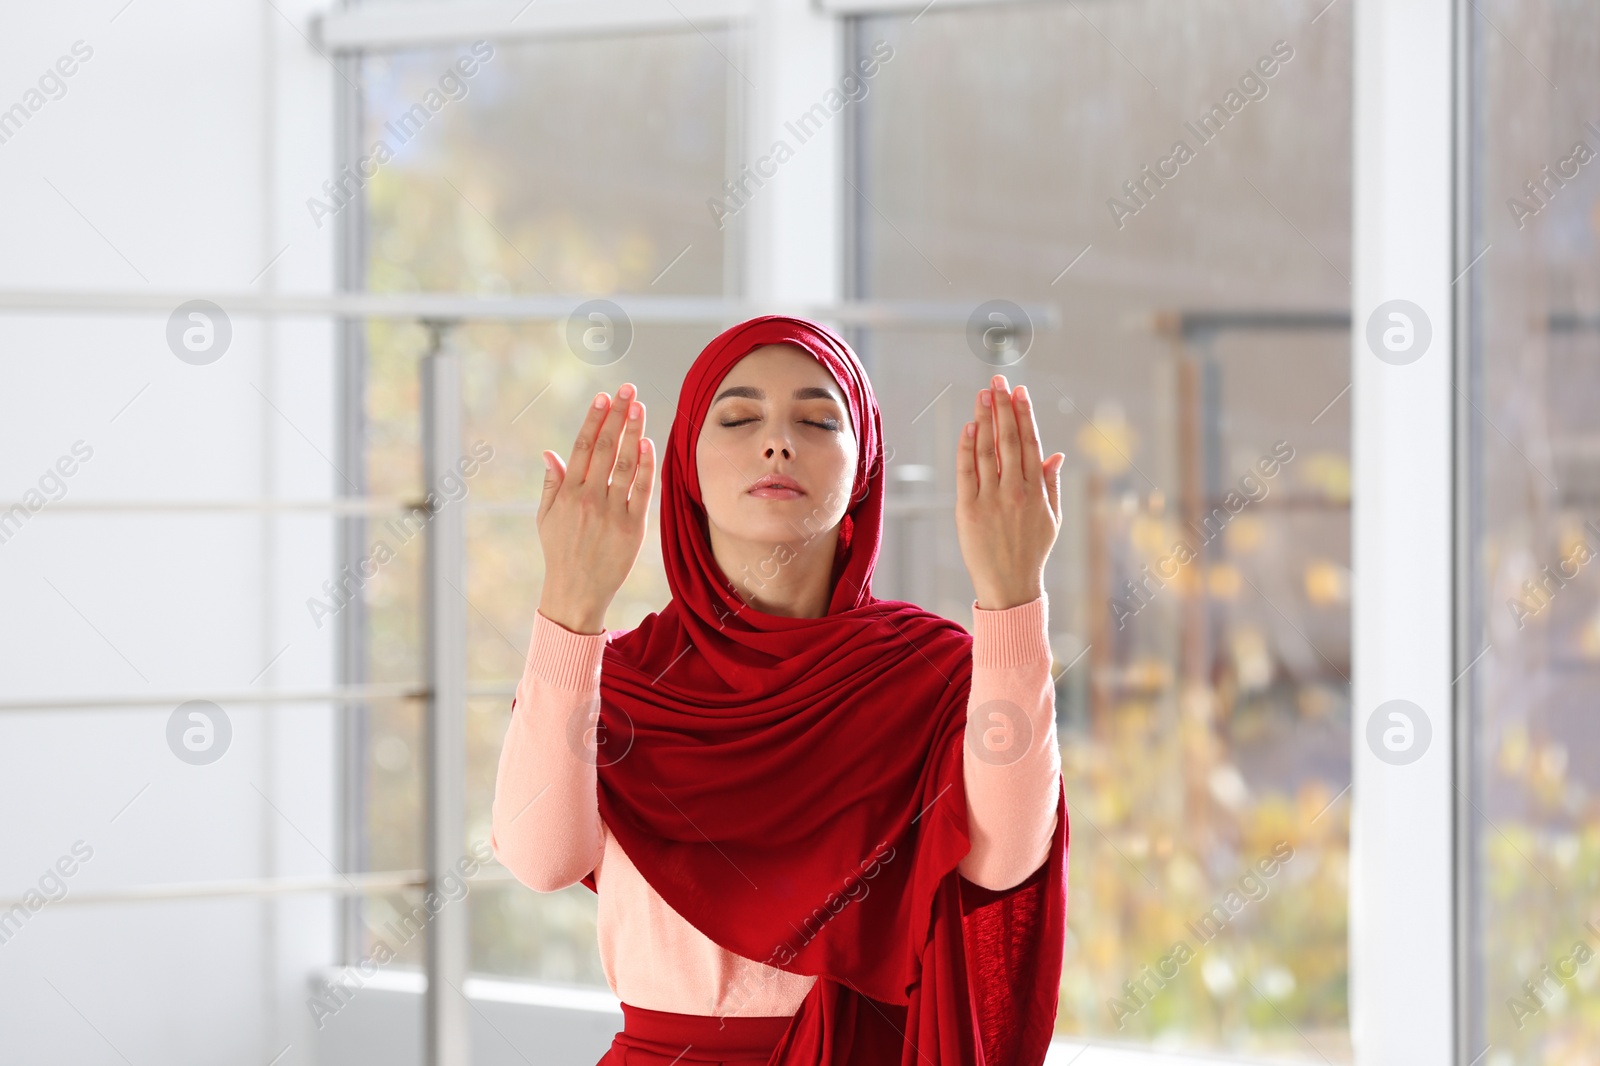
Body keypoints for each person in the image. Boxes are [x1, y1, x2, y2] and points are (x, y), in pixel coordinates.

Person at [492, 315, 1069, 1065]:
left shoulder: (931, 670)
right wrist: (569, 605)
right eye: (738, 417)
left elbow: (1005, 862)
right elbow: (542, 860)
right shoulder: (625, 679)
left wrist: (1012, 596)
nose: (777, 441)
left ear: (863, 465)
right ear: (687, 469)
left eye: (817, 418)